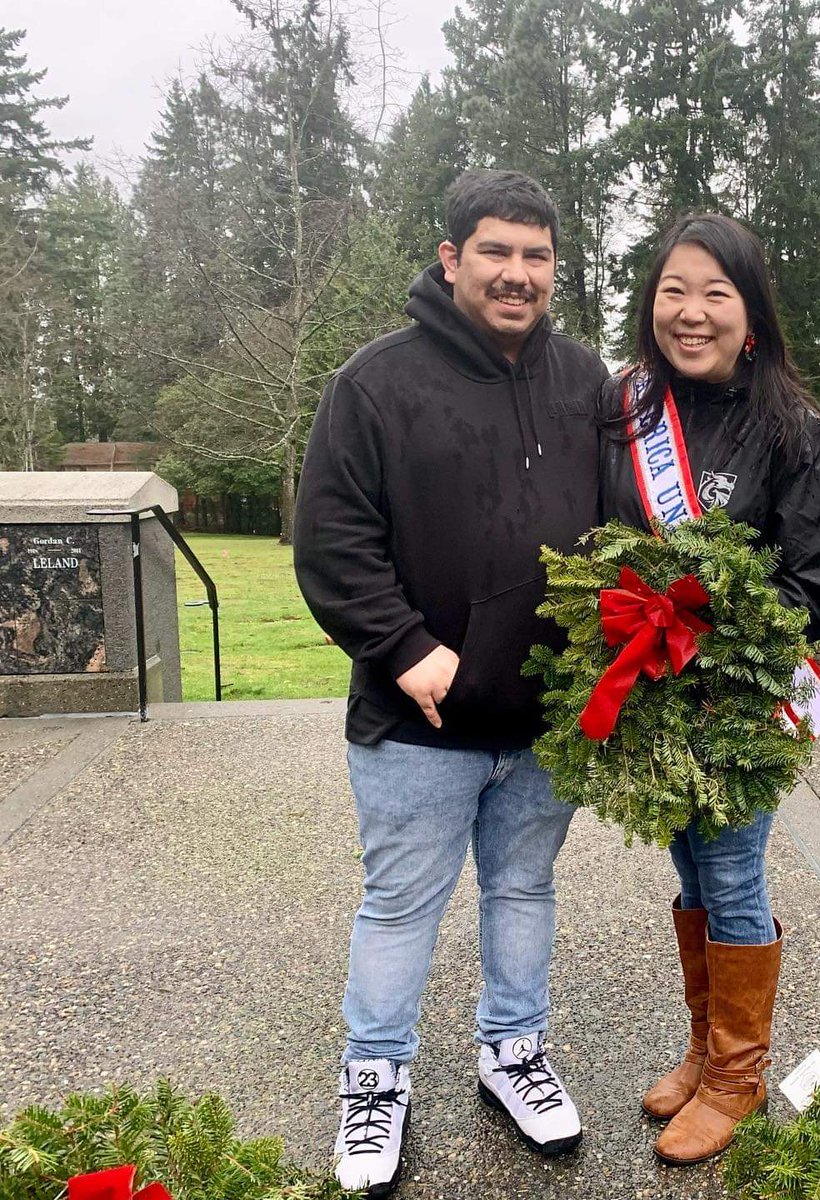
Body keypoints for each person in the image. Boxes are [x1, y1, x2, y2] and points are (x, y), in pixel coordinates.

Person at [293, 168, 607, 1194]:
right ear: (451, 258)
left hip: (545, 720)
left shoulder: (585, 381)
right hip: (416, 718)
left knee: (524, 888)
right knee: (401, 904)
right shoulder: (374, 384)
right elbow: (333, 541)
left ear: (555, 268)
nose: (517, 275)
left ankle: (512, 1054)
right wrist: (401, 644)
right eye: (496, 253)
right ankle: (375, 1079)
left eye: (536, 256)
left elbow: (621, 531)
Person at [599, 213, 820, 1166]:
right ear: (650, 302)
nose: (690, 312)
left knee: (735, 875)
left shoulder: (796, 432)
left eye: (715, 293)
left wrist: (704, 643)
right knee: (692, 871)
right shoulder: (626, 412)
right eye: (674, 290)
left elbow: (818, 588)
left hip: (742, 708)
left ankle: (739, 1077)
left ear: (752, 316)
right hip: (652, 700)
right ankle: (705, 1049)